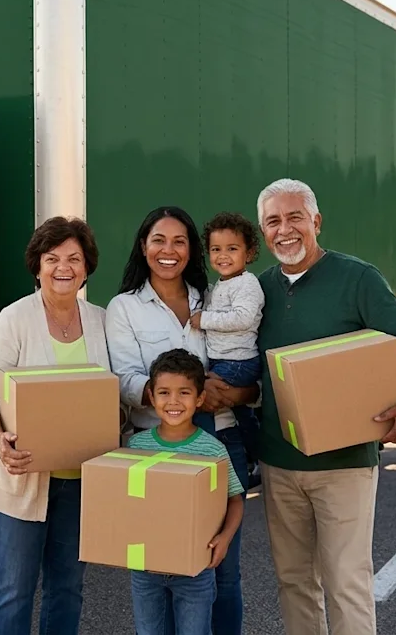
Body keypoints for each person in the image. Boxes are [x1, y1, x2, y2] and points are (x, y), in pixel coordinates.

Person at [253, 178, 396, 635]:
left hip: (346, 464)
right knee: (294, 582)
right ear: (263, 233)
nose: (285, 229)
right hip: (279, 463)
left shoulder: (357, 278)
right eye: (273, 221)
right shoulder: (258, 291)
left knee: (346, 582)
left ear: (316, 222)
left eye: (295, 217)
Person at [105, 205, 255, 635]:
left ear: (193, 250)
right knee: (163, 568)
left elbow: (240, 357)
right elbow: (123, 379)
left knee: (220, 567)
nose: (168, 250)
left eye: (180, 241)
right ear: (143, 246)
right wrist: (176, 398)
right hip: (157, 452)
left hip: (221, 440)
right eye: (159, 240)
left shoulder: (212, 299)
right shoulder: (124, 308)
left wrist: (234, 392)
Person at [0, 216, 109, 635]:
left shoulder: (102, 321)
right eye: (53, 259)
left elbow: (113, 395)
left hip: (80, 481)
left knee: (68, 589)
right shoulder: (14, 319)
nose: (63, 267)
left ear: (86, 267)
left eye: (74, 258)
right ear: (38, 266)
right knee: (14, 591)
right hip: (19, 480)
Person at [126, 348, 245, 635]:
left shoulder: (211, 449)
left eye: (184, 393)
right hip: (146, 570)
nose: (174, 401)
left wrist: (224, 538)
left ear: (200, 398)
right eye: (164, 393)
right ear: (151, 397)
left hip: (195, 571)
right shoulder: (136, 447)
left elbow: (235, 499)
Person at [190, 212, 265, 465]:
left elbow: (242, 318)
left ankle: (206, 453)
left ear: (250, 252)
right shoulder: (220, 285)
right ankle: (257, 456)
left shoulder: (247, 284)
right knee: (242, 414)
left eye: (232, 248)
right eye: (216, 249)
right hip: (224, 359)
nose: (223, 256)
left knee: (203, 399)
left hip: (238, 361)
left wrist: (204, 320)